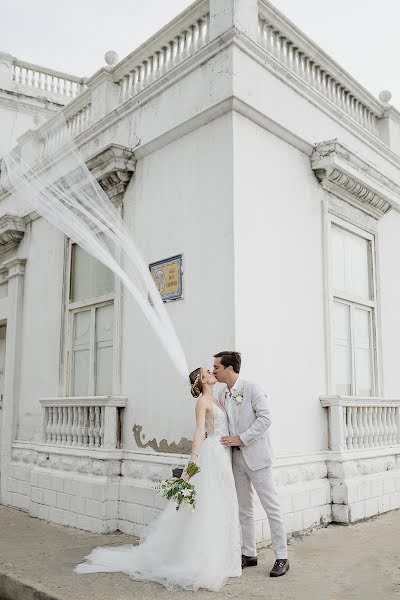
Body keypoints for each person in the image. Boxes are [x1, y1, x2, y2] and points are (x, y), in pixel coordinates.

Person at [74, 367, 241, 592]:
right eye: (207, 372)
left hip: (222, 455)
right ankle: (206, 562)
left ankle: (224, 559)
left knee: (223, 503)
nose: (212, 372)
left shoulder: (219, 398)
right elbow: (199, 431)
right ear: (202, 381)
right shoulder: (202, 402)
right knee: (208, 506)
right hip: (211, 455)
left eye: (212, 369)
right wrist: (191, 465)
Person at [213, 351, 289, 577]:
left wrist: (241, 438)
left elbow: (266, 418)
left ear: (229, 368)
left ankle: (282, 557)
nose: (214, 370)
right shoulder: (221, 394)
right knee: (244, 509)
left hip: (258, 458)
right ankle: (249, 554)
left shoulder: (252, 388)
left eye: (216, 367)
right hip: (236, 460)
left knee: (271, 507)